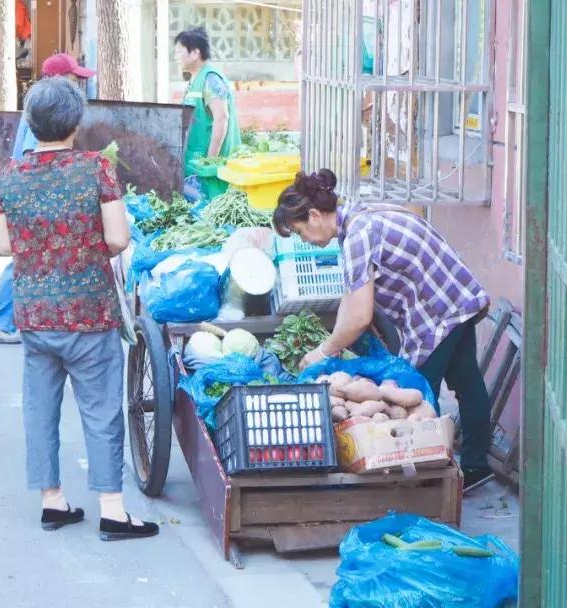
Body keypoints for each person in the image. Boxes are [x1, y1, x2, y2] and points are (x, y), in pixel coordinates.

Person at [0, 78, 156, 540]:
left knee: (39, 407)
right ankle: (111, 510)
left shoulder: (11, 174)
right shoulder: (95, 169)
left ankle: (52, 502)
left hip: (35, 316)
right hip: (89, 311)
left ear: (31, 122)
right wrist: (84, 251)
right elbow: (119, 238)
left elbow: (5, 243)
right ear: (75, 122)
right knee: (101, 409)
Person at [274, 169, 495, 492]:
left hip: (436, 312)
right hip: (454, 298)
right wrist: (332, 342)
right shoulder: (360, 218)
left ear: (315, 215)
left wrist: (324, 351)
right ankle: (476, 466)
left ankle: (426, 482)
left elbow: (360, 315)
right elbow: (352, 299)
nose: (304, 239)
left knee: (418, 397)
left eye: (299, 231)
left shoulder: (358, 236)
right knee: (467, 382)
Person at [0, 53, 97, 345]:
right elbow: (37, 158)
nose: (78, 84)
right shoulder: (47, 112)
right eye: (74, 78)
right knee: (22, 257)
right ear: (58, 79)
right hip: (33, 194)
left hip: (27, 191)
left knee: (27, 256)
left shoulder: (39, 105)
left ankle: (15, 318)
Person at [174, 26, 239, 173]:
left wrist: (210, 161)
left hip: (211, 171)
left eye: (179, 51)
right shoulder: (194, 81)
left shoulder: (211, 79)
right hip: (195, 165)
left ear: (195, 53)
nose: (176, 57)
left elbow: (221, 118)